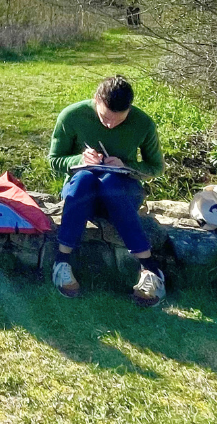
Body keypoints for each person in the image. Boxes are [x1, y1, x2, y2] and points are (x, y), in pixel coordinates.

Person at [48, 74, 166, 305]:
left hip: (122, 190)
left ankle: (150, 269)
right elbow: (54, 160)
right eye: (104, 118)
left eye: (117, 121)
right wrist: (78, 160)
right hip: (81, 193)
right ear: (96, 100)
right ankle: (61, 262)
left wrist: (126, 165)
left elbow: (156, 168)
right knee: (84, 181)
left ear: (129, 110)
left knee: (111, 184)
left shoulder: (143, 123)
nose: (110, 125)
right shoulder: (72, 116)